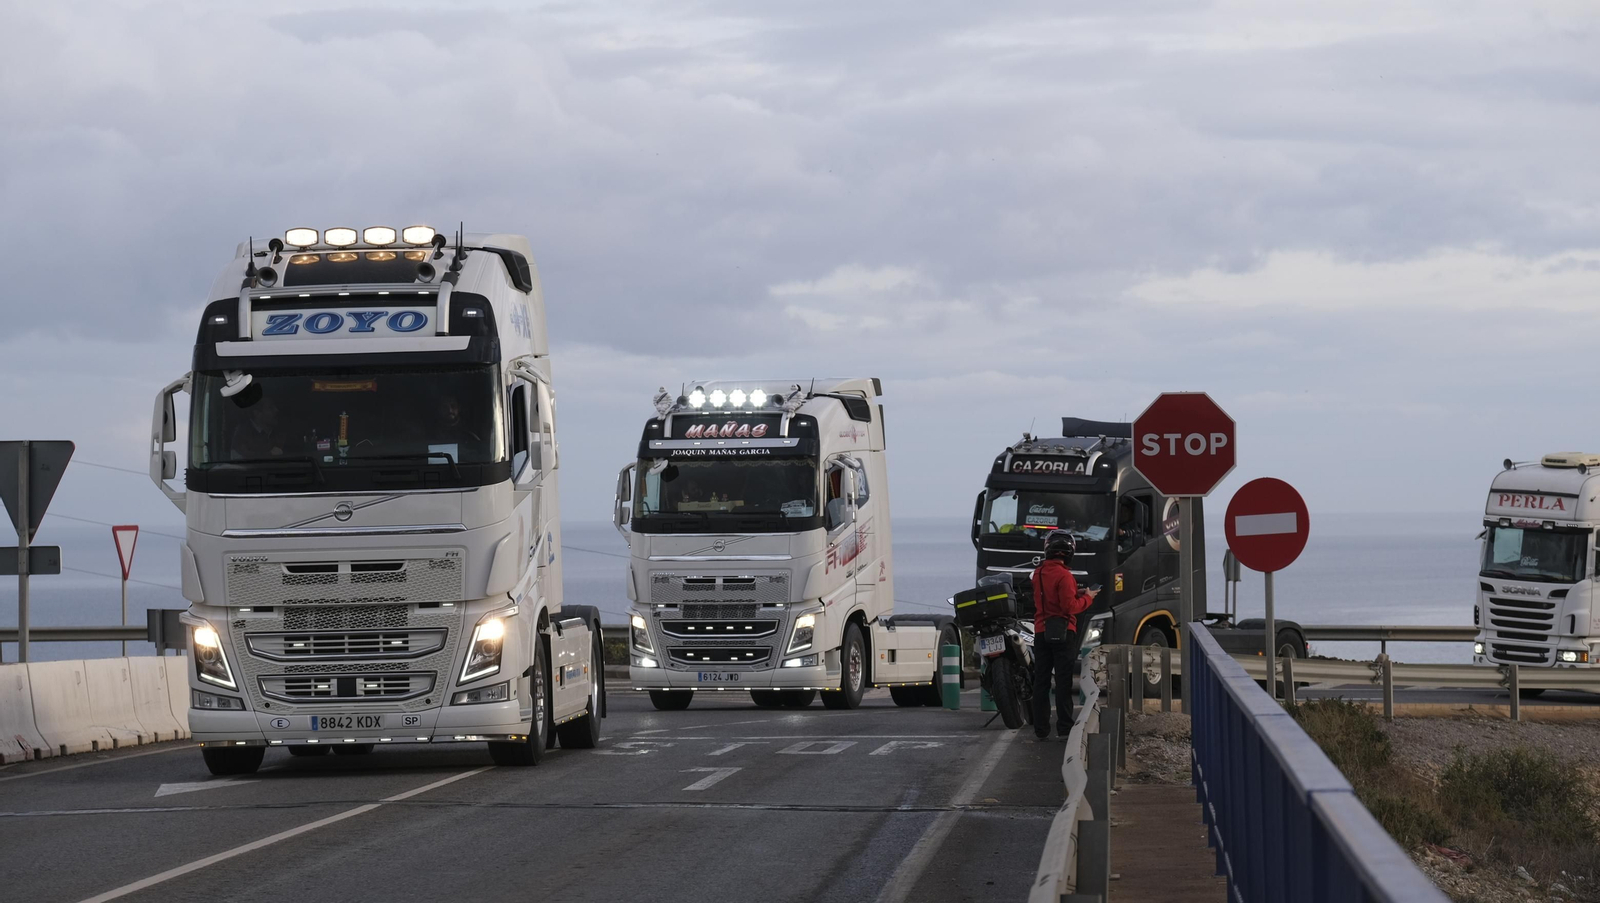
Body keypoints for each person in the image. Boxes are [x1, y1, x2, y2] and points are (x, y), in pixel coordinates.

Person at [1030, 531, 1099, 740]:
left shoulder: (1039, 573)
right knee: (1063, 682)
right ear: (1070, 553)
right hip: (1063, 633)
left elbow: (1049, 596)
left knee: (1041, 681)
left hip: (1042, 631)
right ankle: (1064, 727)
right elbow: (1069, 607)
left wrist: (1075, 592)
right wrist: (1087, 597)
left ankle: (1041, 728)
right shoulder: (1065, 576)